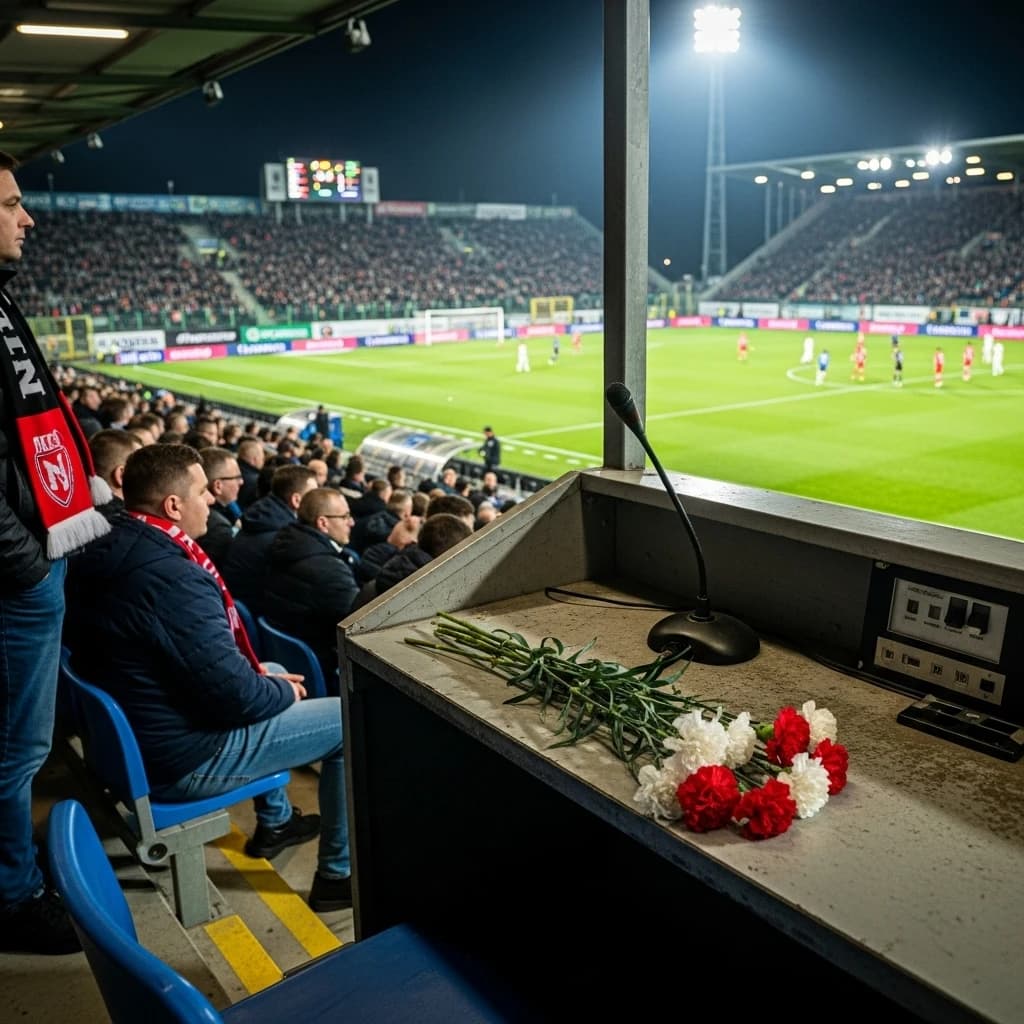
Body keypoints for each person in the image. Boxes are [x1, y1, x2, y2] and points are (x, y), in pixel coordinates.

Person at [63, 444, 352, 913]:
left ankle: (275, 821)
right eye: (203, 492)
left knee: (273, 669)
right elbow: (235, 697)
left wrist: (267, 681)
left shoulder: (115, 541)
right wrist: (279, 692)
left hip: (143, 731)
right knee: (348, 719)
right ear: (173, 506)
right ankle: (337, 875)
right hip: (184, 757)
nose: (213, 501)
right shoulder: (171, 575)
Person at [0, 150, 112, 955]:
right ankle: (10, 895)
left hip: (32, 558)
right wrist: (29, 565)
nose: (27, 217)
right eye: (9, 202)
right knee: (14, 749)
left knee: (20, 747)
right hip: (16, 574)